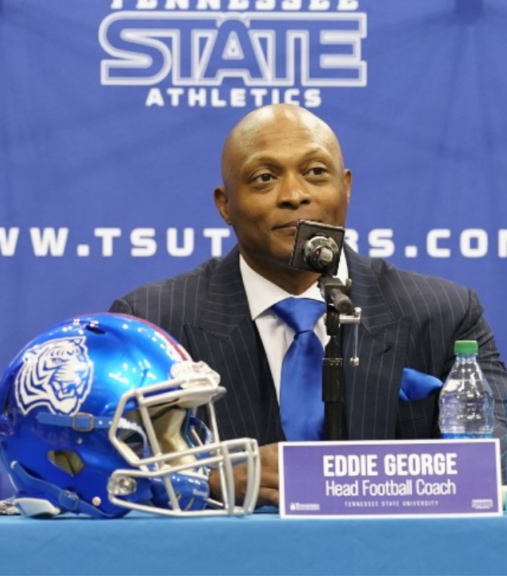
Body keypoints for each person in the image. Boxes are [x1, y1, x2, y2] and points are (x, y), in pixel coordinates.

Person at [109, 104, 507, 505]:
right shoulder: (153, 325)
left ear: (346, 186)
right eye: (264, 178)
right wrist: (206, 479)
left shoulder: (444, 315)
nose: (295, 196)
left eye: (316, 172)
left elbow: (495, 463)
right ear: (225, 204)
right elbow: (104, 472)